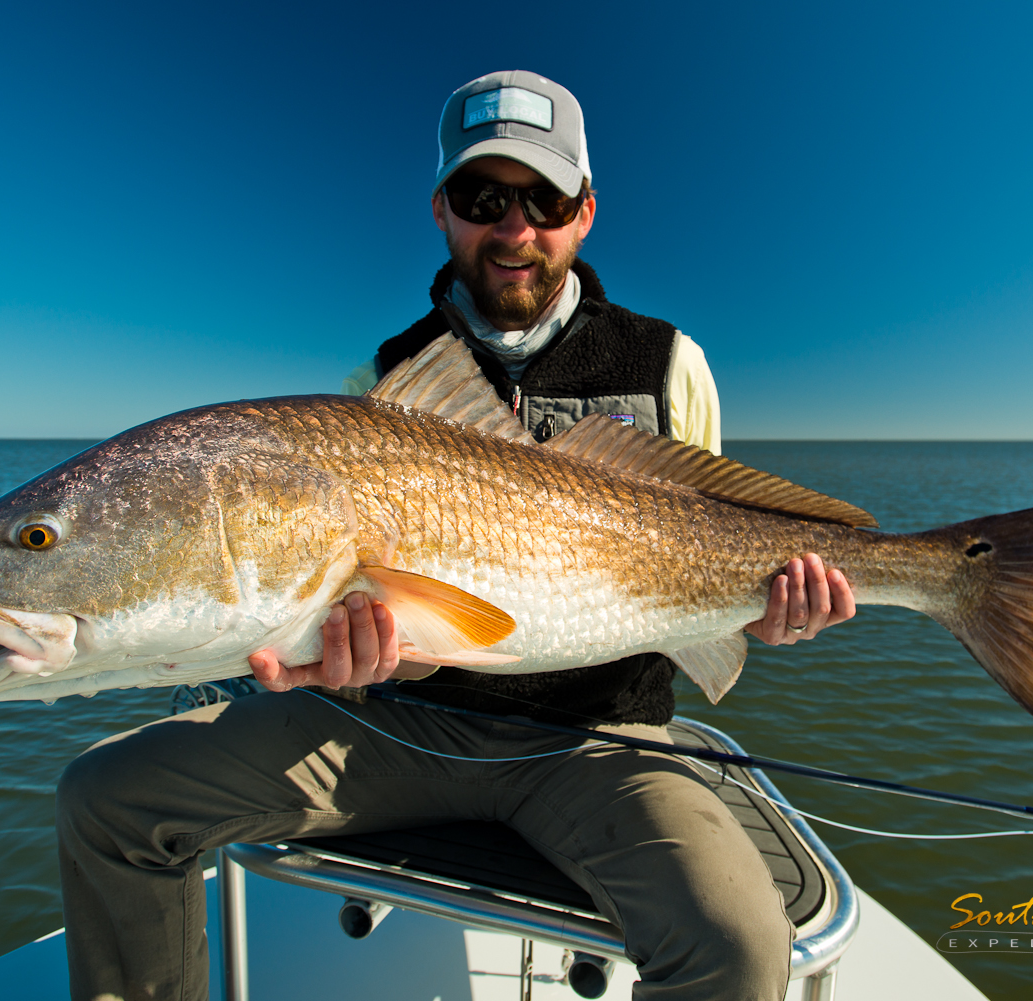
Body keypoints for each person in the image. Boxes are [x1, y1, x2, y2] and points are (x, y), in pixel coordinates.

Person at [56, 70, 856, 1001]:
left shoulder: (669, 363)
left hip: (604, 742)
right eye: (484, 197)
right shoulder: (384, 379)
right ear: (443, 209)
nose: (514, 229)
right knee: (106, 799)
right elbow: (361, 607)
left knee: (738, 940)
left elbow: (718, 557)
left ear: (585, 211)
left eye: (544, 199)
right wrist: (358, 653)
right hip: (400, 730)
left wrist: (770, 609)